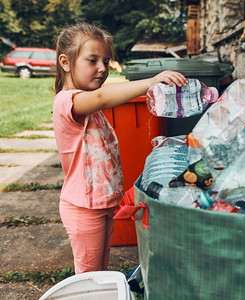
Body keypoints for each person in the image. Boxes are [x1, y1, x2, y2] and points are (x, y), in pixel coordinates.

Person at [52, 22, 187, 274]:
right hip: (83, 208)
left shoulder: (90, 104)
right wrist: (153, 81)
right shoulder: (66, 102)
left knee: (99, 271)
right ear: (66, 62)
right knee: (89, 276)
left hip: (101, 205)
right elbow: (103, 97)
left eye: (106, 61)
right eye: (92, 60)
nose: (102, 68)